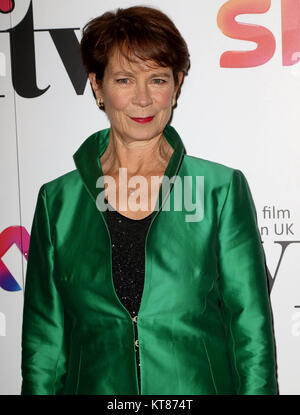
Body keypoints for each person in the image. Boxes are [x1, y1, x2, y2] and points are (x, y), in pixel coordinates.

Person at [21, 5, 278, 395]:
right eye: (124, 79)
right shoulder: (57, 202)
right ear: (97, 85)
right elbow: (44, 345)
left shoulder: (219, 190)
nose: (143, 98)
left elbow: (251, 334)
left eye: (157, 79)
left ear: (175, 86)